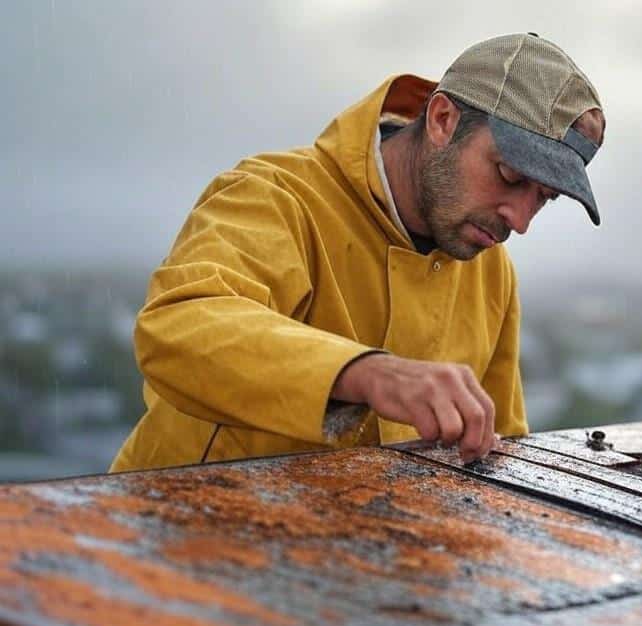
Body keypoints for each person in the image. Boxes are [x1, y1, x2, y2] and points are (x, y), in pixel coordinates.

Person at [110, 33, 606, 472]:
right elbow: (176, 329)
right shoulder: (276, 196)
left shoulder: (491, 269)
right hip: (176, 548)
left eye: (542, 198)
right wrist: (367, 373)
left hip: (360, 567)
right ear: (442, 119)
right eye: (509, 176)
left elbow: (499, 454)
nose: (519, 220)